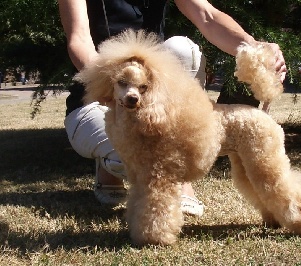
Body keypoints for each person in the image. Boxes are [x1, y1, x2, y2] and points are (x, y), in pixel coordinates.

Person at [57, 0, 287, 215]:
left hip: (153, 101)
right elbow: (79, 41)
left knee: (181, 48)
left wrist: (255, 47)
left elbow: (208, 17)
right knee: (131, 158)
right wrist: (109, 85)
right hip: (98, 101)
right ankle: (107, 166)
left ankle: (180, 179)